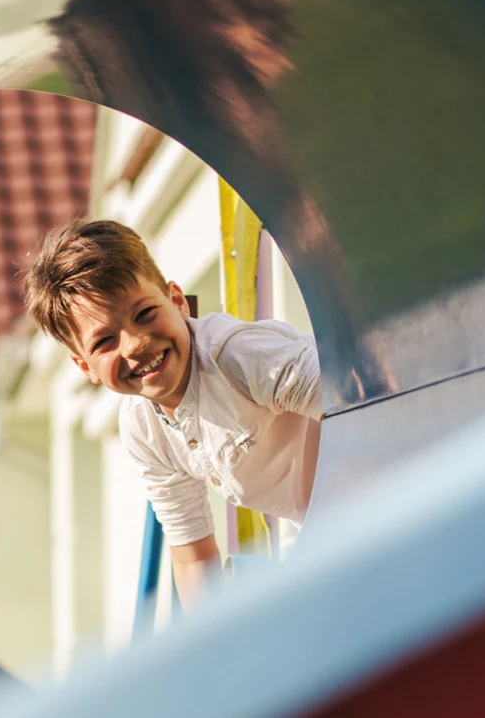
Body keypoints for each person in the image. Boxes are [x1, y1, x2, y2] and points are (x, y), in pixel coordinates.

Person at [24, 217, 322, 609]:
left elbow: (358, 397)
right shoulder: (143, 429)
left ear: (178, 301)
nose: (134, 344)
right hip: (317, 524)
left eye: (145, 313)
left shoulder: (235, 356)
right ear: (85, 367)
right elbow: (193, 555)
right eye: (105, 341)